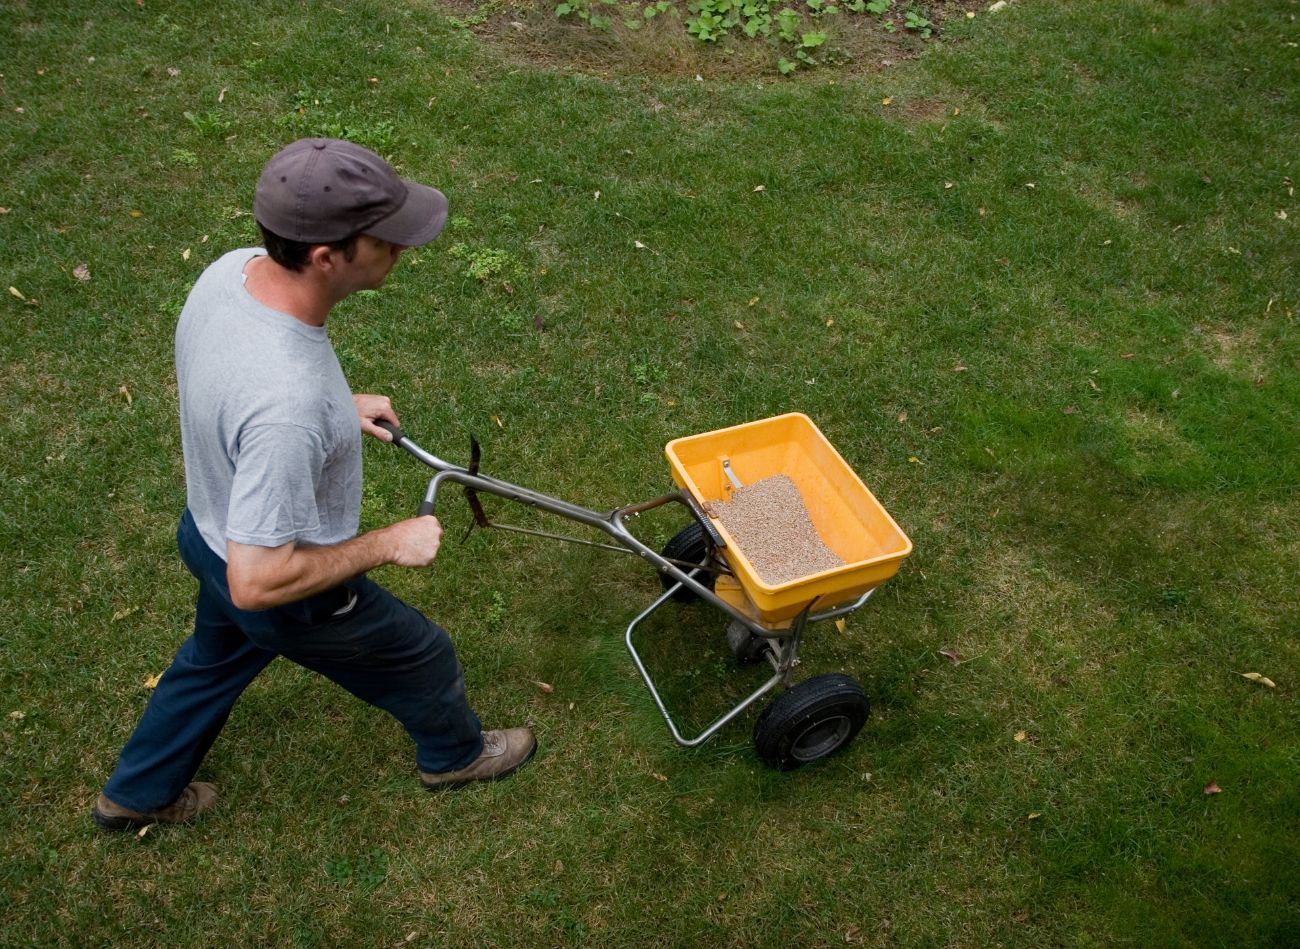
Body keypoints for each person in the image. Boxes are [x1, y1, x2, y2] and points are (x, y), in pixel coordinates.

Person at [93, 138, 536, 831]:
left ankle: (136, 793)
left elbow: (241, 388)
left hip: (204, 530)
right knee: (423, 653)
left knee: (212, 660)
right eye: (386, 238)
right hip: (274, 584)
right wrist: (389, 541)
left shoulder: (232, 275)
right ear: (327, 256)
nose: (403, 247)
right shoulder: (286, 405)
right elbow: (259, 580)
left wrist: (337, 408)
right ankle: (454, 754)